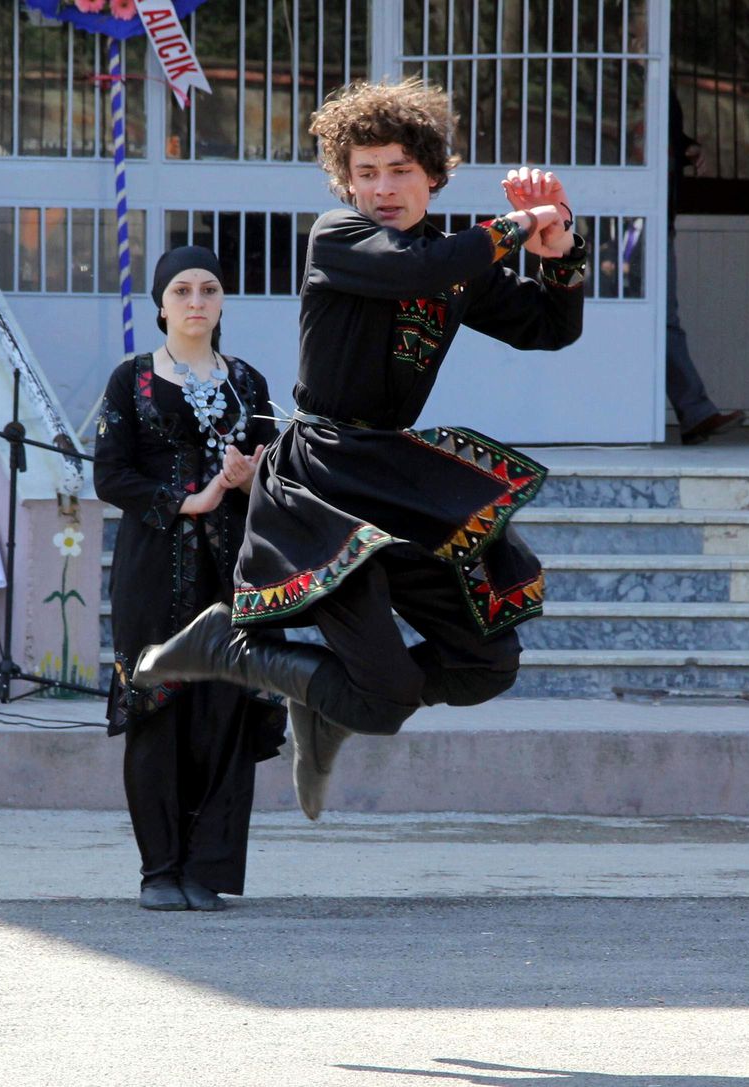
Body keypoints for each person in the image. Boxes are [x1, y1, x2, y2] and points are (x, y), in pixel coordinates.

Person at [133, 78, 585, 822]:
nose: (381, 188)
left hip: (393, 477)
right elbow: (416, 270)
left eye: (400, 170)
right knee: (385, 697)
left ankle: (327, 706)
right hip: (322, 480)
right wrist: (518, 222)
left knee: (487, 662)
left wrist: (558, 246)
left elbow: (549, 327)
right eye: (365, 172)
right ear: (346, 182)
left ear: (433, 175)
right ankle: (225, 646)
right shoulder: (337, 237)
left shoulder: (453, 263)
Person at [94, 245, 284, 912]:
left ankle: (207, 869)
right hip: (154, 570)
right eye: (182, 290)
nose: (196, 301)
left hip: (236, 571)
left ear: (223, 300)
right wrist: (191, 499)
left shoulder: (249, 383)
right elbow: (110, 475)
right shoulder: (132, 380)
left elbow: (278, 473)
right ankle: (160, 870)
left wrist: (249, 479)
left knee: (225, 713)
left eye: (209, 288)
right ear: (161, 304)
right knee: (157, 709)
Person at [666, 87, 744, 445]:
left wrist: (685, 148)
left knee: (659, 319)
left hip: (653, 216)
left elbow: (656, 135)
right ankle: (695, 412)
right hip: (630, 219)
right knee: (658, 319)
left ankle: (695, 413)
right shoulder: (623, 75)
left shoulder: (653, 75)